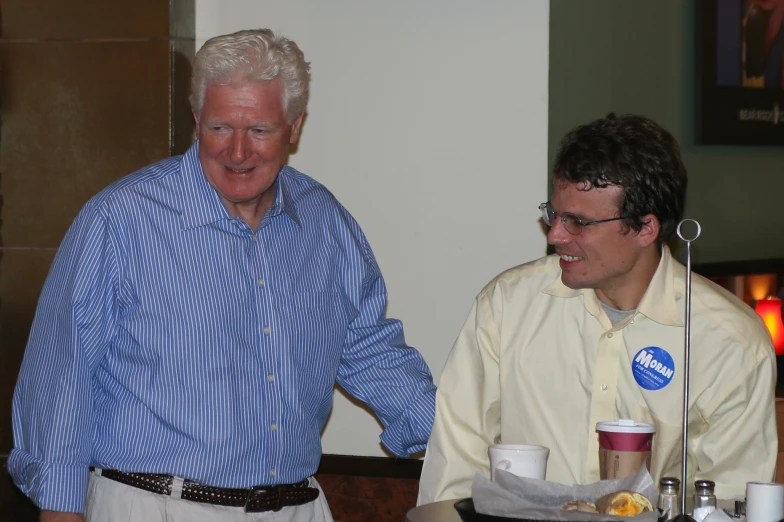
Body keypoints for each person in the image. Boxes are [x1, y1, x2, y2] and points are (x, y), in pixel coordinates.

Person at [10, 28, 436, 522]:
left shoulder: (325, 223)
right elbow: (63, 376)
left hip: (297, 508)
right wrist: (60, 510)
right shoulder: (121, 220)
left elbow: (367, 348)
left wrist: (465, 442)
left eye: (259, 130)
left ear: (294, 128)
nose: (237, 153)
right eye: (219, 128)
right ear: (196, 121)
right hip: (155, 507)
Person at [417, 113, 777, 504]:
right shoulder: (507, 305)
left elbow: (729, 498)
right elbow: (455, 462)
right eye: (554, 214)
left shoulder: (729, 341)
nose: (555, 235)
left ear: (645, 228)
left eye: (579, 222)